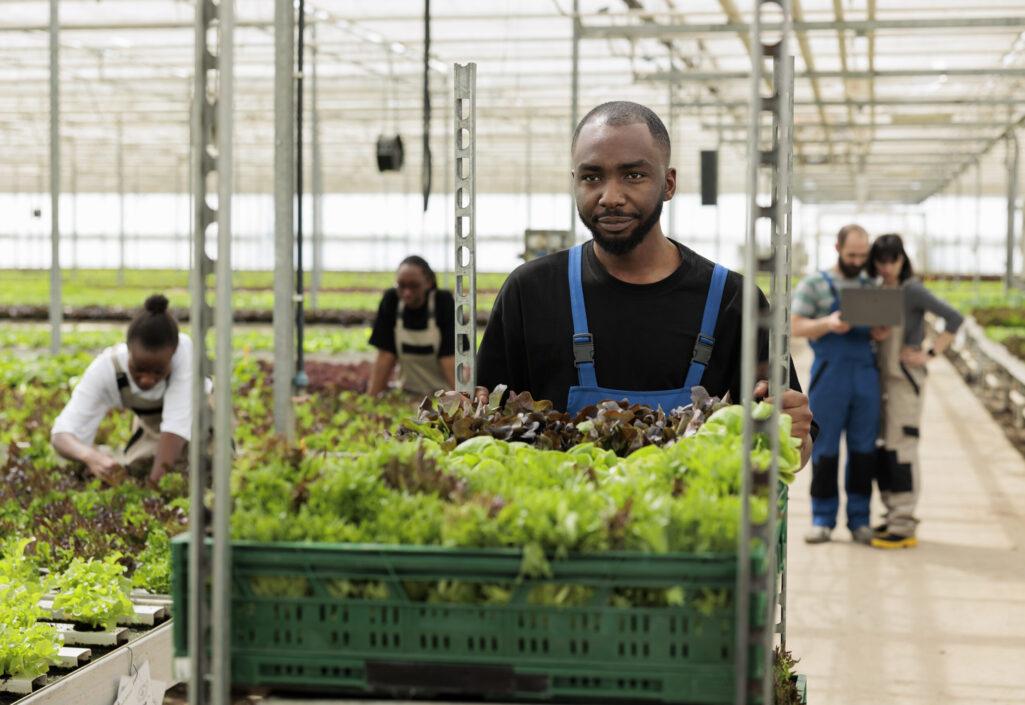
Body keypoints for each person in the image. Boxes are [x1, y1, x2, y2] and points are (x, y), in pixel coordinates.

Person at [475, 101, 814, 467]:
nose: (611, 197)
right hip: (563, 522)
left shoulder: (734, 301)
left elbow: (793, 451)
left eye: (633, 175)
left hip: (690, 521)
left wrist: (793, 434)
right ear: (574, 183)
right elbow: (487, 428)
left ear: (668, 184)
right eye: (592, 177)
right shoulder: (529, 292)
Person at [791, 224, 889, 544]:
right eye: (852, 254)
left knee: (863, 451)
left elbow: (879, 329)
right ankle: (822, 518)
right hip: (830, 375)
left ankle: (860, 519)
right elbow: (794, 326)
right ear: (837, 248)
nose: (858, 260)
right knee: (825, 448)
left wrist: (879, 332)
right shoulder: (815, 285)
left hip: (865, 374)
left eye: (863, 255)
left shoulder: (872, 285)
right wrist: (827, 323)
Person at [867, 234, 963, 549]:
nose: (887, 266)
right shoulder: (881, 291)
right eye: (881, 260)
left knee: (902, 448)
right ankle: (894, 514)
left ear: (902, 259)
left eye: (892, 259)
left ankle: (904, 523)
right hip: (883, 380)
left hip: (904, 380)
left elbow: (954, 317)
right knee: (886, 448)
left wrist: (930, 354)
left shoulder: (913, 290)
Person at [52, 294, 203, 487]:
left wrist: (154, 488)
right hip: (155, 432)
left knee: (205, 473)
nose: (147, 379)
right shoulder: (106, 368)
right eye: (138, 370)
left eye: (159, 371)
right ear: (128, 350)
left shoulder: (184, 352)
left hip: (201, 426)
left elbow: (175, 427)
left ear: (172, 354)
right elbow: (61, 434)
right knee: (142, 470)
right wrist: (91, 456)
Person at [368, 255, 456, 397]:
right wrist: (371, 398)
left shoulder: (443, 302)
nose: (407, 293)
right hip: (406, 391)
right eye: (401, 286)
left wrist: (460, 400)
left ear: (428, 282)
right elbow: (385, 354)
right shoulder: (392, 300)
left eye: (414, 286)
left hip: (443, 394)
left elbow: (449, 357)